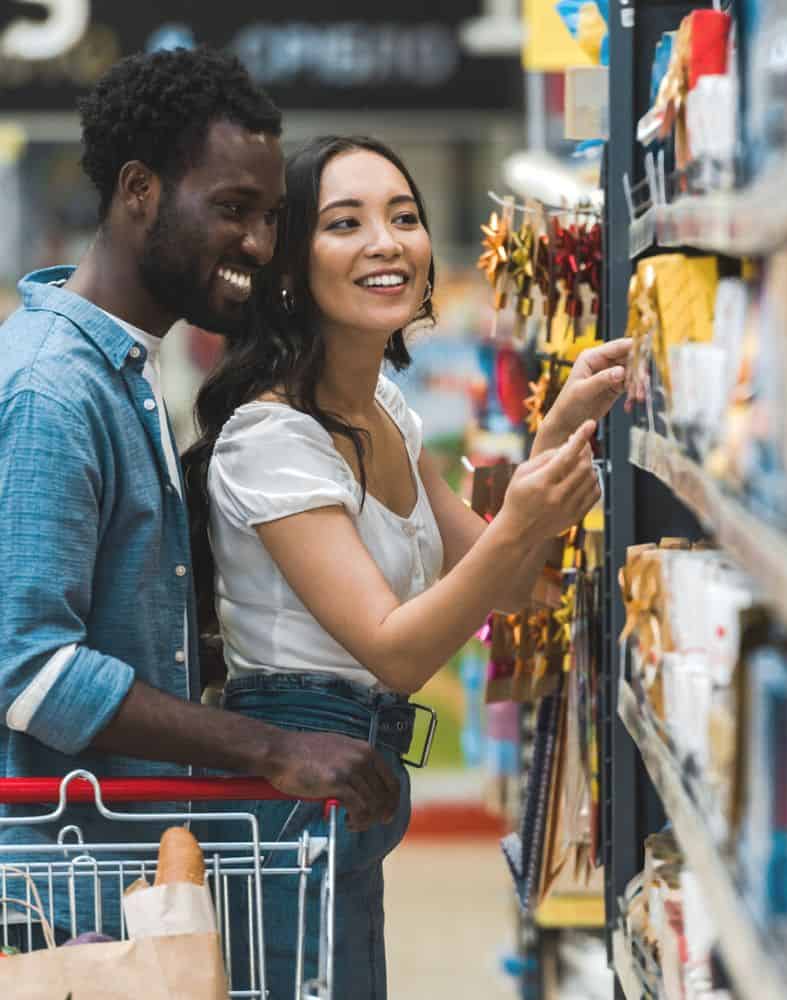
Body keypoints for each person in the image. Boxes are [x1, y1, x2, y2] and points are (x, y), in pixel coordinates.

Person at [182, 134, 632, 998]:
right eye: (344, 223)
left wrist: (557, 435)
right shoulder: (271, 438)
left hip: (359, 782)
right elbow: (396, 649)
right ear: (288, 266)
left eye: (404, 216)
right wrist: (523, 520)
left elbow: (520, 580)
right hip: (290, 794)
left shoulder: (386, 411)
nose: (387, 242)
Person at [0, 50, 403, 944]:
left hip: (133, 881)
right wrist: (273, 748)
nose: (259, 244)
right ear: (138, 189)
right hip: (65, 911)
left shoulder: (127, 375)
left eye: (270, 217)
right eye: (231, 209)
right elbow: (28, 670)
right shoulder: (52, 390)